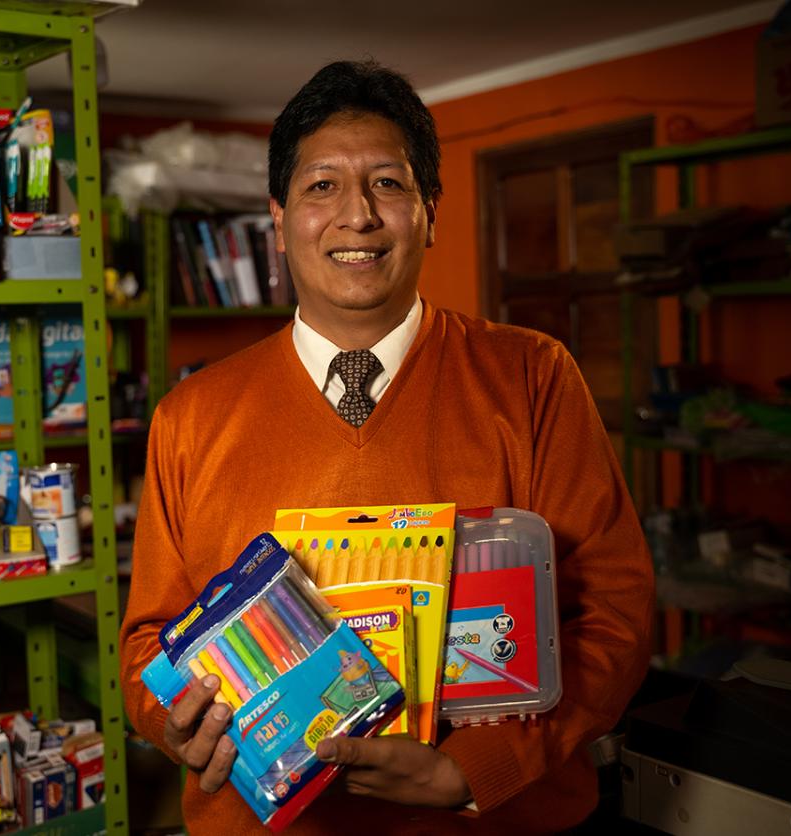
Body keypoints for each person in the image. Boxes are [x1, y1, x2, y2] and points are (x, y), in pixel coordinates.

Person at [119, 59, 654, 835]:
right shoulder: (190, 416)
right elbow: (147, 646)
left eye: (389, 184)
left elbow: (616, 613)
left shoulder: (534, 377)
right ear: (279, 217)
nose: (358, 215)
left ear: (430, 212)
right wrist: (170, 719)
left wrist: (476, 769)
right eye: (322, 185)